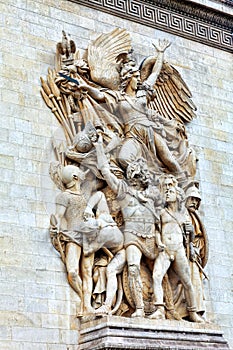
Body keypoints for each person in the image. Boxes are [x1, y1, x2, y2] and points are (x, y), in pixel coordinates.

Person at [93, 135, 163, 318]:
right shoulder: (124, 191)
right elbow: (105, 171)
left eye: (137, 173)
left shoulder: (152, 196)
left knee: (159, 273)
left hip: (153, 239)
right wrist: (99, 146)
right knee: (131, 267)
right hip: (131, 236)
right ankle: (136, 308)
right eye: (131, 172)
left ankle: (162, 308)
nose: (134, 175)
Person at [149, 175, 204, 322]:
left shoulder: (182, 216)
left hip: (179, 250)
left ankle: (193, 312)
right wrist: (159, 242)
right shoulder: (161, 213)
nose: (167, 192)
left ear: (177, 194)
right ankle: (160, 309)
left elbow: (189, 239)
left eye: (170, 190)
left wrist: (191, 231)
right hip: (165, 250)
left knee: (187, 282)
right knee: (157, 276)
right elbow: (156, 230)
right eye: (165, 190)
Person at [51, 165, 95, 315]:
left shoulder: (86, 195)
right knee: (73, 272)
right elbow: (58, 216)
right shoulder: (64, 196)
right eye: (80, 172)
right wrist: (55, 226)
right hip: (73, 235)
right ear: (75, 177)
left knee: (87, 271)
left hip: (89, 236)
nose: (84, 174)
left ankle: (87, 306)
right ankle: (84, 299)